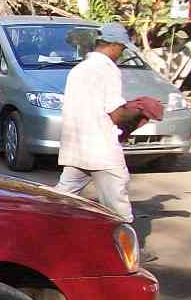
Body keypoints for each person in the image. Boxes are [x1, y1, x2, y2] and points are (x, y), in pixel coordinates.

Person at [55, 33, 157, 261]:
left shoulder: (79, 69)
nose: (121, 54)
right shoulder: (108, 70)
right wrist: (139, 109)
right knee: (117, 204)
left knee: (62, 197)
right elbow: (116, 113)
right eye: (121, 48)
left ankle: (41, 233)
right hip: (101, 147)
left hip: (76, 144)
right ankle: (129, 253)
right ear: (113, 46)